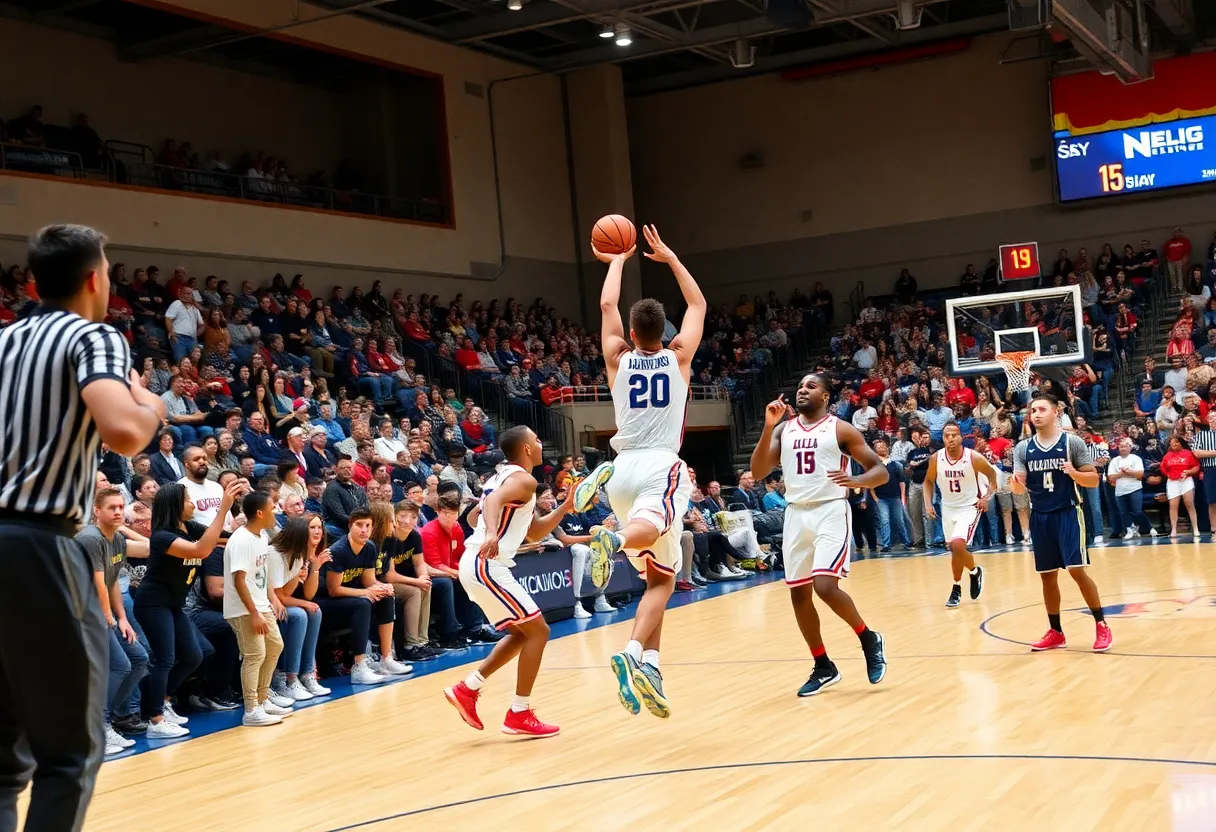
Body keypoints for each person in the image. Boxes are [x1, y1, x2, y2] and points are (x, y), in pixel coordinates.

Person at [0, 224, 168, 831]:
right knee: (69, 752)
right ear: (96, 279)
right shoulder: (93, 336)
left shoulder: (4, 342)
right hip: (41, 544)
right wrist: (150, 403)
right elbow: (124, 430)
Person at [572, 225, 702, 720]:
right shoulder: (679, 357)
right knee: (650, 556)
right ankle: (615, 540)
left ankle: (642, 659)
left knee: (660, 579)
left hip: (621, 469)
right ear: (663, 332)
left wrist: (618, 261)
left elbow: (607, 308)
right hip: (660, 466)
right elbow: (698, 306)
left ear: (631, 333)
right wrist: (668, 257)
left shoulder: (617, 358)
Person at [749, 374, 890, 697]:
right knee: (799, 595)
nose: (802, 390)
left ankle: (868, 637)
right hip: (796, 513)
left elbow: (878, 471)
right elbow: (758, 472)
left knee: (825, 585)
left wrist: (856, 482)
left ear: (826, 396)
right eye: (799, 386)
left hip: (830, 509)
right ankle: (823, 664)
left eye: (811, 386)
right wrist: (769, 426)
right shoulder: (784, 430)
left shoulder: (840, 429)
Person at [443, 426, 576, 737]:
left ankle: (468, 688)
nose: (541, 442)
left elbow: (532, 532)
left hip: (481, 563)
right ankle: (519, 712)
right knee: (539, 631)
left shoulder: (504, 476)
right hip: (487, 563)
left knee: (523, 634)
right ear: (527, 449)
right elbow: (488, 509)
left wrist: (565, 507)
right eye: (537, 438)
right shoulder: (523, 480)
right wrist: (492, 533)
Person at [135, 480, 242, 737]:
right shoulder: (162, 537)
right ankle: (156, 720)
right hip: (152, 603)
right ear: (174, 505)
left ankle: (163, 700)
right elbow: (201, 549)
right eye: (187, 499)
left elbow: (222, 539)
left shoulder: (189, 527)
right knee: (165, 659)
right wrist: (222, 510)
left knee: (194, 655)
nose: (192, 503)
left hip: (173, 604)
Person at [1012, 393, 1113, 652]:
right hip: (1040, 517)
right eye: (1033, 410)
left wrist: (1074, 472)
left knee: (1077, 570)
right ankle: (1056, 631)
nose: (1036, 414)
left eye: (1042, 409)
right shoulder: (1023, 448)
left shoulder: (1073, 443)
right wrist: (1015, 484)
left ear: (1056, 412)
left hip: (1068, 512)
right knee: (1047, 577)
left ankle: (1101, 625)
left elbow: (1092, 480)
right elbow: (1019, 491)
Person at [77, 488, 149, 756]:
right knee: (119, 665)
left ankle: (109, 719)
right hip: (82, 613)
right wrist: (108, 618)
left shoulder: (117, 539)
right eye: (112, 508)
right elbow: (98, 584)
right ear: (97, 511)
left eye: (121, 507)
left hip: (102, 611)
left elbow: (112, 583)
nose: (118, 511)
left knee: (139, 658)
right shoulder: (90, 539)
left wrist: (122, 618)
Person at [223, 491, 291, 727]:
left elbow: (259, 575)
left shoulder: (261, 536)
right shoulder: (241, 540)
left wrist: (270, 599)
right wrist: (254, 612)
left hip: (260, 603)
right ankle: (251, 709)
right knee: (254, 655)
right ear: (260, 513)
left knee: (275, 646)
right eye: (273, 508)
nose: (277, 511)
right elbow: (239, 580)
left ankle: (263, 699)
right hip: (243, 608)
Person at [924, 423, 997, 609]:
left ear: (961, 437)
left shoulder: (973, 457)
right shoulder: (936, 458)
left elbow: (993, 476)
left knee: (958, 544)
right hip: (948, 507)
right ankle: (974, 572)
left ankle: (956, 588)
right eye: (947, 435)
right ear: (943, 438)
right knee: (954, 548)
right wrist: (928, 503)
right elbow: (928, 482)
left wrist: (987, 497)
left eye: (954, 435)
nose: (950, 439)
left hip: (970, 506)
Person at [267, 514, 332, 700]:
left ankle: (307, 674)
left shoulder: (299, 554)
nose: (318, 531)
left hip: (281, 601)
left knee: (314, 612)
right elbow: (279, 596)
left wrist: (314, 566)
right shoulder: (275, 553)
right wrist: (305, 603)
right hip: (266, 603)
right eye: (312, 527)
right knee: (299, 615)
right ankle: (287, 678)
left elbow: (305, 594)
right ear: (300, 530)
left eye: (319, 527)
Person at [1106, 438, 1155, 538]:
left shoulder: (1136, 459)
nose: (1123, 448)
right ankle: (1130, 529)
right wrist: (1121, 473)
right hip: (1120, 491)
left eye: (1125, 446)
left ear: (1130, 447)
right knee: (1123, 512)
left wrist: (1128, 472)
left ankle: (1149, 527)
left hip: (1135, 489)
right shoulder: (1114, 461)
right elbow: (1111, 478)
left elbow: (1140, 475)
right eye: (1121, 446)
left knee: (1137, 511)